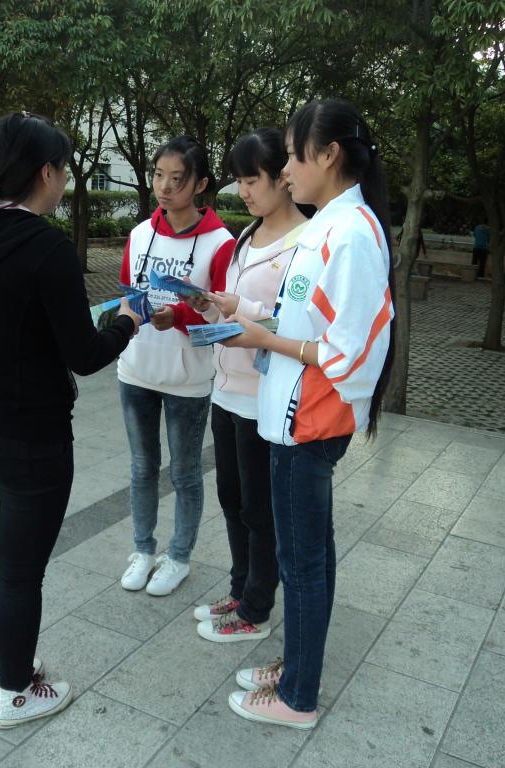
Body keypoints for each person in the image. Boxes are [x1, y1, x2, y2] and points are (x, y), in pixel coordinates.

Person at [0, 113, 141, 728]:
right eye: (64, 170)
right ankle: (17, 693)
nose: (66, 181)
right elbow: (85, 354)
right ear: (47, 172)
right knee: (20, 574)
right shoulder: (47, 248)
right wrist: (127, 323)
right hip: (30, 440)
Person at [220, 98, 395, 729]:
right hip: (292, 416)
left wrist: (266, 340)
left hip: (310, 422)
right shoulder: (329, 225)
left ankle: (298, 696)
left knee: (302, 563)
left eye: (295, 156)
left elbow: (348, 352)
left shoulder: (351, 235)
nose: (287, 168)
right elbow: (302, 319)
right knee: (308, 555)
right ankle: (297, 665)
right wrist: (250, 318)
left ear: (330, 155)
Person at [188, 128, 309, 643]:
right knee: (232, 496)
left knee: (261, 508)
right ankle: (240, 589)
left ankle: (256, 609)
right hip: (227, 387)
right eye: (238, 181)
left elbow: (294, 325)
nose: (244, 192)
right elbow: (237, 306)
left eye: (252, 179)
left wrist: (246, 311)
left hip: (265, 394)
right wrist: (213, 306)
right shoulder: (245, 236)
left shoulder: (305, 242)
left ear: (283, 176)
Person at [117, 136, 236, 597]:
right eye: (158, 176)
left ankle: (179, 557)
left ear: (201, 184)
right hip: (136, 371)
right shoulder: (139, 235)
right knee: (141, 467)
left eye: (177, 179)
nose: (164, 187)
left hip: (188, 379)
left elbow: (223, 317)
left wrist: (180, 316)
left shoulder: (220, 244)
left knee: (185, 473)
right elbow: (127, 295)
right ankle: (143, 550)